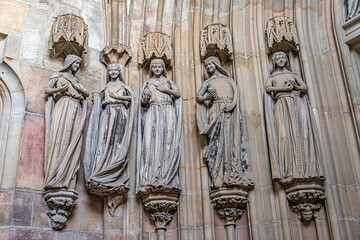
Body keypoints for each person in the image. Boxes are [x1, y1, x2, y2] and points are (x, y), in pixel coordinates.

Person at [264, 51, 324, 184]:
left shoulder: (294, 75)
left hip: (297, 103)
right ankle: (288, 171)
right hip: (282, 104)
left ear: (287, 59)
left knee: (302, 134)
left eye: (282, 57)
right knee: (284, 136)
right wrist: (284, 89)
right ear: (273, 62)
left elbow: (304, 87)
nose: (280, 59)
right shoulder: (273, 76)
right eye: (277, 58)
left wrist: (295, 86)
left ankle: (307, 170)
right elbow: (268, 89)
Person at [196, 56, 252, 189]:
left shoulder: (228, 80)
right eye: (207, 66)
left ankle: (234, 173)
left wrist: (232, 105)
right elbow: (199, 97)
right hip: (216, 110)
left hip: (229, 110)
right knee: (218, 142)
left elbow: (236, 93)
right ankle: (218, 174)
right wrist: (208, 97)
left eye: (211, 64)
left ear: (217, 64)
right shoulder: (208, 82)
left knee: (232, 140)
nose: (209, 67)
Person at [136, 58, 182, 194]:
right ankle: (150, 177)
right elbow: (143, 103)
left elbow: (178, 93)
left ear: (163, 68)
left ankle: (166, 176)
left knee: (167, 141)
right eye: (154, 67)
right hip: (153, 110)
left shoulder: (168, 82)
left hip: (167, 110)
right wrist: (145, 97)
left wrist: (165, 90)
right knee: (150, 143)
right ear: (150, 69)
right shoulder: (148, 83)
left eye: (159, 66)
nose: (156, 69)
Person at [44, 54, 89, 190]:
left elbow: (86, 93)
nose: (76, 67)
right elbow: (47, 90)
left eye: (78, 64)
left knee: (72, 139)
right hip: (63, 106)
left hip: (75, 107)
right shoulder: (58, 76)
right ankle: (55, 175)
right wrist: (59, 89)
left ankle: (66, 175)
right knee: (59, 137)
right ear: (69, 63)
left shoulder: (75, 80)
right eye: (75, 64)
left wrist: (77, 87)